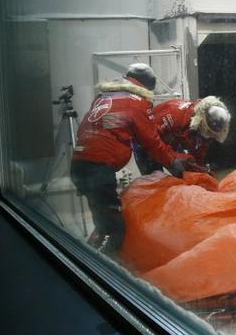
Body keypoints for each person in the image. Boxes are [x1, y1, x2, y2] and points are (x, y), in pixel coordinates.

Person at [70, 63, 187, 255]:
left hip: (80, 163)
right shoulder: (137, 102)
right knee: (114, 231)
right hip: (98, 169)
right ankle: (96, 265)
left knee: (102, 223)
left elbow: (93, 127)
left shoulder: (104, 97)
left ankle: (89, 255)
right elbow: (152, 142)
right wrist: (174, 162)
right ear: (147, 86)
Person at [133, 96, 231, 175]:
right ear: (201, 119)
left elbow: (198, 153)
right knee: (155, 181)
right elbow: (150, 140)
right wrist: (172, 160)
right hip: (146, 142)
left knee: (185, 170)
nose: (208, 136)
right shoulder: (175, 115)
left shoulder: (201, 132)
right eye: (208, 132)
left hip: (171, 141)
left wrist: (200, 171)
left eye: (211, 134)